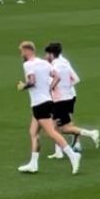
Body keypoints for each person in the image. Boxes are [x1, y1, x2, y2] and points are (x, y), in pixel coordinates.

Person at [17, 41, 81, 173]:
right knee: (33, 132)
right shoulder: (45, 63)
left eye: (22, 51)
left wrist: (23, 86)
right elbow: (57, 77)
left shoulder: (28, 64)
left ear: (28, 51)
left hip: (39, 104)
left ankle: (73, 155)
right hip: (48, 101)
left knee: (51, 132)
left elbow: (32, 81)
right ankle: (33, 164)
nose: (21, 54)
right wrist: (49, 89)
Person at [44, 43, 99, 159]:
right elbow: (76, 79)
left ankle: (91, 133)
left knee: (61, 128)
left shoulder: (53, 67)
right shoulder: (64, 63)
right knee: (59, 125)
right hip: (70, 96)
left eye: (47, 54)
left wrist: (57, 89)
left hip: (60, 100)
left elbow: (51, 83)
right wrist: (67, 87)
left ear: (51, 54)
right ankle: (60, 151)